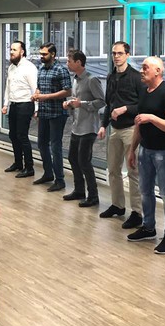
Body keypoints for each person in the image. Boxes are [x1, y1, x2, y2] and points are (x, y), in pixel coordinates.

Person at [126, 57, 165, 255]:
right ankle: (148, 227)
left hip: (164, 151)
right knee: (145, 191)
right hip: (145, 149)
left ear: (157, 71)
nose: (141, 71)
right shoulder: (144, 92)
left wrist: (152, 118)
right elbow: (139, 124)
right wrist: (132, 149)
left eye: (145, 68)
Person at [97, 41, 143, 229]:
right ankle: (117, 205)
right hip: (115, 130)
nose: (116, 56)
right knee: (113, 170)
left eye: (120, 53)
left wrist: (125, 109)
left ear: (127, 55)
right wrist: (103, 125)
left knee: (133, 172)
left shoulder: (136, 77)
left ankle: (137, 212)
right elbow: (109, 104)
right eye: (114, 53)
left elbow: (143, 105)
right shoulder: (111, 77)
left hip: (131, 129)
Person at [62, 50, 105, 207]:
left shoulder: (92, 80)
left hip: (88, 127)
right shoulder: (75, 79)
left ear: (78, 62)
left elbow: (101, 101)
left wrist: (82, 104)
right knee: (73, 158)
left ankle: (93, 196)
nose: (67, 64)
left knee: (84, 161)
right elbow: (77, 100)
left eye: (69, 61)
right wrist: (69, 103)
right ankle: (79, 190)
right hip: (77, 126)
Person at [33, 43, 72, 192]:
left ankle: (60, 180)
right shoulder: (41, 69)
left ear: (53, 54)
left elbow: (67, 91)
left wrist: (46, 96)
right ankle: (48, 173)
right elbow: (39, 87)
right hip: (44, 112)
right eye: (41, 54)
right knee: (42, 144)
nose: (41, 56)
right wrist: (37, 95)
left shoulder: (61, 70)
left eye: (44, 54)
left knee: (55, 147)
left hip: (57, 113)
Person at [1, 41, 38, 177]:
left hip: (26, 104)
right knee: (13, 135)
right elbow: (8, 87)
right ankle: (18, 163)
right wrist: (6, 104)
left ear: (22, 52)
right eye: (11, 49)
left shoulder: (29, 67)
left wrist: (37, 108)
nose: (11, 52)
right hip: (14, 104)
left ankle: (29, 167)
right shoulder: (11, 67)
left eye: (14, 50)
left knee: (22, 136)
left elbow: (35, 88)